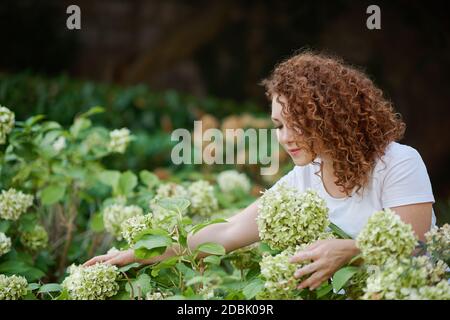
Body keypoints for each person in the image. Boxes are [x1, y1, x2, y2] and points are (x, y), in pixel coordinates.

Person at [84, 51, 435, 291]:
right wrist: (136, 254)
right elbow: (228, 231)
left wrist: (348, 249)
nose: (284, 137)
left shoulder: (398, 163)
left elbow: (414, 242)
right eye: (278, 125)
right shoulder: (304, 177)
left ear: (329, 119)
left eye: (295, 124)